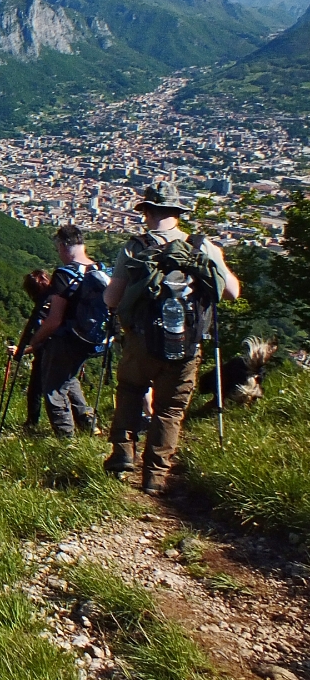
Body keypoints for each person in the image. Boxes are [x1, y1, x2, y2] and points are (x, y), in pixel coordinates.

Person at [102, 182, 239, 495]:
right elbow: (231, 292)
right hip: (186, 344)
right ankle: (155, 477)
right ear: (177, 214)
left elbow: (111, 299)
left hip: (140, 340)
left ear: (147, 212)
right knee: (169, 410)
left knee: (130, 391)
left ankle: (123, 452)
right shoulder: (202, 247)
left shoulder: (134, 248)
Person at [19, 225, 99, 438]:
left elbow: (54, 320)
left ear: (64, 246)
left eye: (58, 248)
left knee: (54, 390)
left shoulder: (65, 274)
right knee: (70, 379)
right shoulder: (98, 269)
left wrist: (35, 340)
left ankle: (66, 440)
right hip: (91, 338)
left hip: (68, 339)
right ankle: (88, 423)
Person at [5, 269, 53, 432]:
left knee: (36, 391)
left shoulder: (43, 309)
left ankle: (33, 424)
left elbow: (41, 340)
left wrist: (21, 350)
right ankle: (83, 420)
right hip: (62, 352)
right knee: (65, 387)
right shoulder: (56, 301)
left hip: (46, 355)